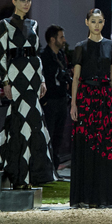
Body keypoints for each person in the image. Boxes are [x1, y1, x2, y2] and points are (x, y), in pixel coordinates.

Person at [0, 0, 55, 188]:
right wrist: (5, 82)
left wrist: (42, 79)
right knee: (21, 123)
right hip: (16, 77)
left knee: (30, 124)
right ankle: (18, 176)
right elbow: (2, 56)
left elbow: (37, 54)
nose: (26, 3)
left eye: (29, 0)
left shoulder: (33, 24)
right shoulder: (5, 24)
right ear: (14, 1)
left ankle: (25, 177)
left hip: (33, 76)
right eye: (23, 0)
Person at [69, 9, 112, 207]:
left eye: (100, 21)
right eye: (93, 21)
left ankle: (107, 195)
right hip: (85, 99)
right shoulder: (80, 47)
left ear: (103, 23)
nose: (96, 25)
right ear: (86, 22)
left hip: (104, 99)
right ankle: (84, 196)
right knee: (86, 144)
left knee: (106, 146)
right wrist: (73, 104)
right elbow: (75, 78)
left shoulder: (111, 46)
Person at [39, 24, 70, 178]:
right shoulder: (44, 56)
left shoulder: (61, 55)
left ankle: (54, 167)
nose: (64, 40)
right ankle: (47, 168)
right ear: (52, 39)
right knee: (49, 135)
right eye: (61, 37)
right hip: (50, 101)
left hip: (61, 100)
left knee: (58, 135)